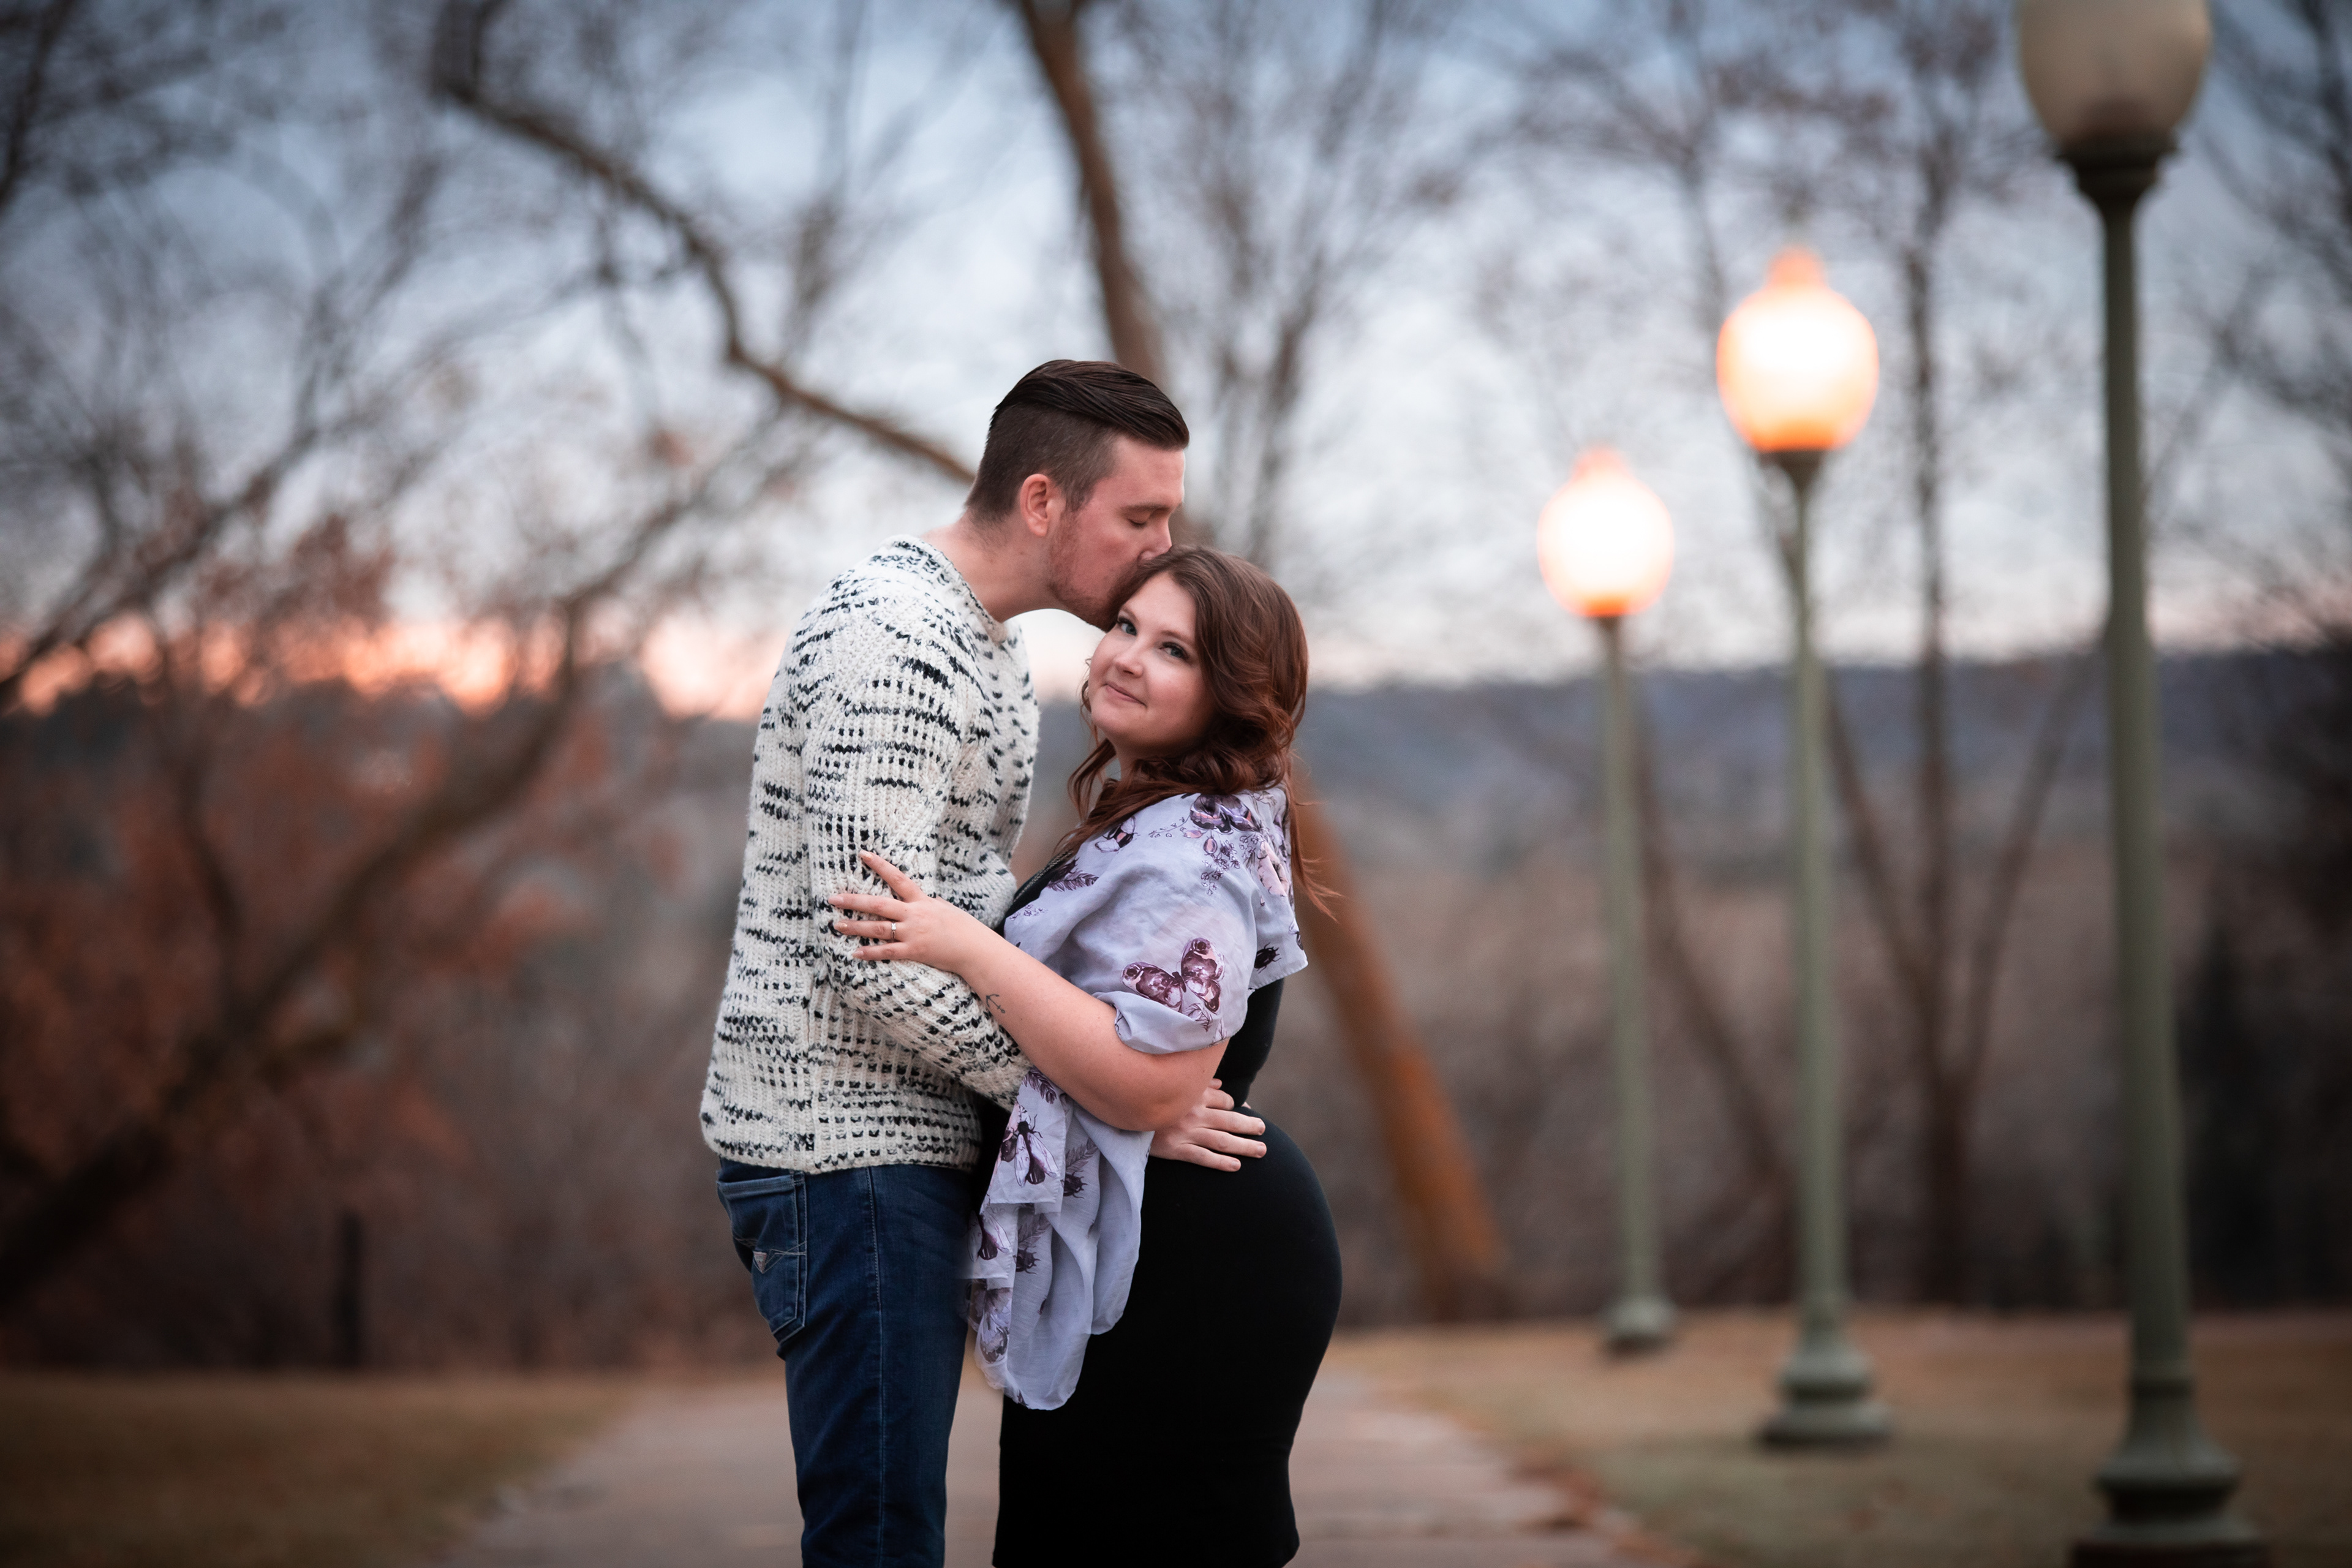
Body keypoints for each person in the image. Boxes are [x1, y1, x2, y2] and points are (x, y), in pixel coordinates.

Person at [701, 360, 1265, 1568]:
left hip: (908, 1145)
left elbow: (957, 925)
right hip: (845, 1149)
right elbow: (878, 954)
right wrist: (1103, 1099)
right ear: (1048, 500)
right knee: (882, 1534)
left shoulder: (993, 650)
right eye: (1142, 516)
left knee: (899, 1523)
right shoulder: (896, 643)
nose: (1165, 542)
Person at [832, 546, 1345, 1568]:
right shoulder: (1151, 816)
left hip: (1197, 1269)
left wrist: (967, 945)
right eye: (1125, 628)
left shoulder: (1192, 851)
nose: (1125, 657)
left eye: (1174, 650)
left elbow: (1151, 1081)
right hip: (1146, 1241)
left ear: (1230, 697)